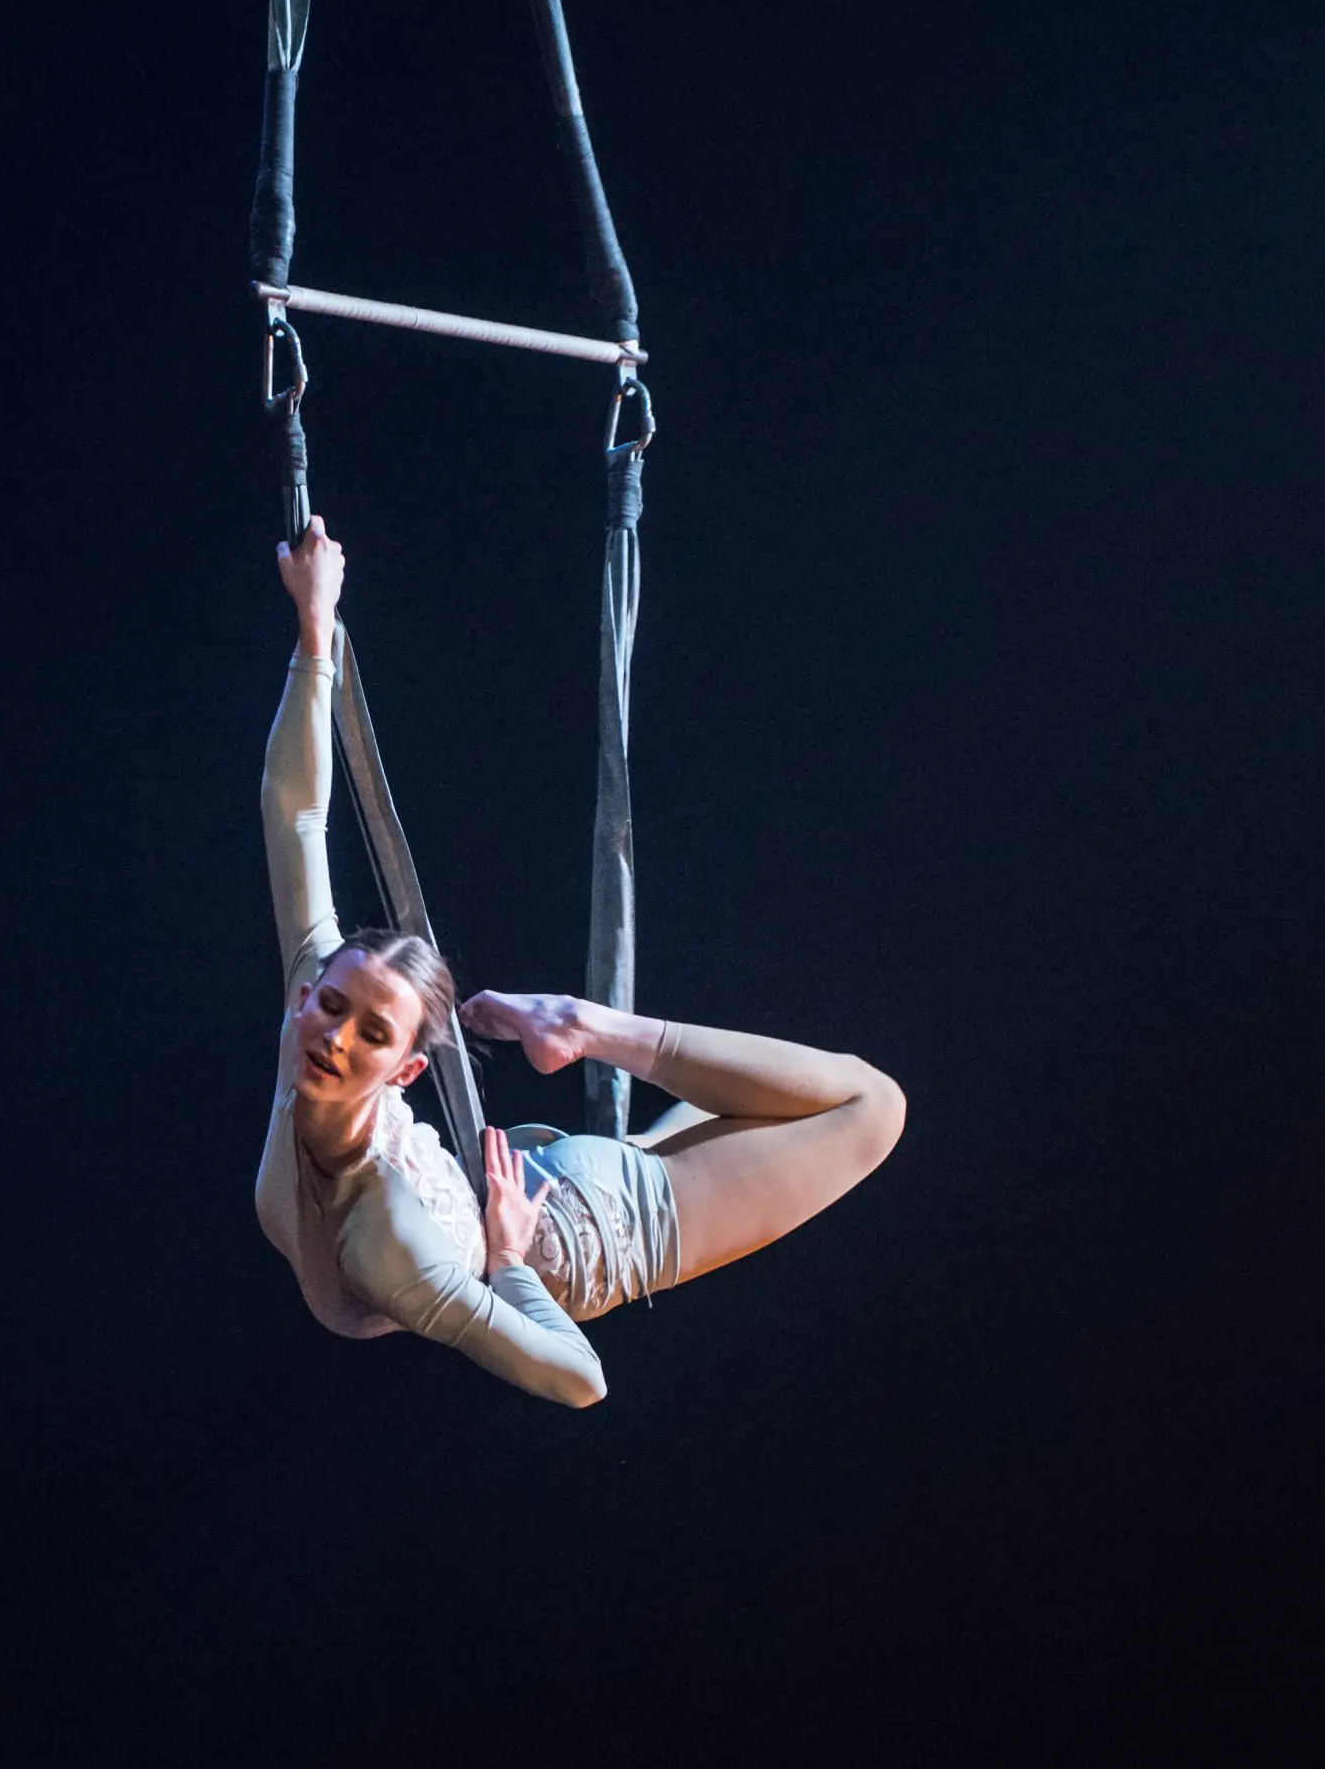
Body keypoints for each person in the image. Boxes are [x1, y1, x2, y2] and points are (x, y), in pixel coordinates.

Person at [254, 517, 906, 1407]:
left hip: (600, 1229)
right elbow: (295, 819)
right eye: (332, 1009)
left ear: (407, 1070)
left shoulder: (388, 1238)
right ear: (304, 1002)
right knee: (776, 1112)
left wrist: (315, 625)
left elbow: (581, 1379)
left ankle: (591, 1027)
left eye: (371, 1032)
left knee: (874, 1105)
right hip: (559, 1175)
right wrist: (315, 625)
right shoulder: (317, 1018)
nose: (335, 1035)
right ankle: (582, 1032)